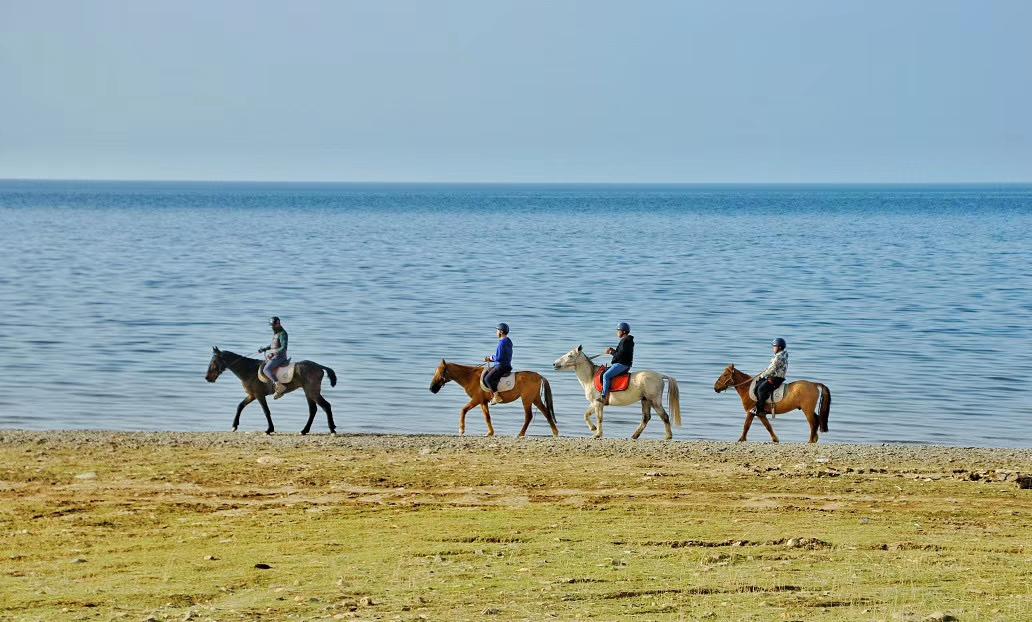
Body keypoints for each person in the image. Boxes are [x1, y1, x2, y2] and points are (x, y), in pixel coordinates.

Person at [598, 322, 634, 405]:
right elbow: (621, 353)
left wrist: (611, 352)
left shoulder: (625, 341)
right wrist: (613, 351)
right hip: (623, 363)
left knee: (606, 375)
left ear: (623, 332)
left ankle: (604, 397)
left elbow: (621, 355)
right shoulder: (626, 340)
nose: (617, 332)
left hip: (622, 364)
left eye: (618, 330)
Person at [751, 337, 788, 415]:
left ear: (779, 347)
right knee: (758, 385)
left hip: (776, 378)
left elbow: (772, 369)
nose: (773, 348)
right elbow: (771, 368)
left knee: (761, 389)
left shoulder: (779, 357)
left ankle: (761, 410)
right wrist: (764, 374)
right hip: (774, 376)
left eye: (774, 346)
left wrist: (762, 375)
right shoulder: (781, 355)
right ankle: (760, 404)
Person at [258, 316, 289, 399]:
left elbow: (284, 347)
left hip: (280, 357)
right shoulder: (276, 334)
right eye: (271, 326)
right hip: (275, 356)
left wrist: (273, 353)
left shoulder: (283, 334)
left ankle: (279, 386)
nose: (272, 327)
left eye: (273, 325)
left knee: (266, 369)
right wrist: (264, 349)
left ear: (278, 324)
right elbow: (273, 345)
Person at [483, 323, 513, 405]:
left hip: (501, 366)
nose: (496, 332)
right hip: (507, 365)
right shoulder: (508, 341)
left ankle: (496, 397)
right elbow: (504, 356)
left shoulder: (501, 343)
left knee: (487, 379)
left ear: (501, 332)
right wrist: (493, 359)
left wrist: (490, 358)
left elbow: (499, 358)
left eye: (497, 330)